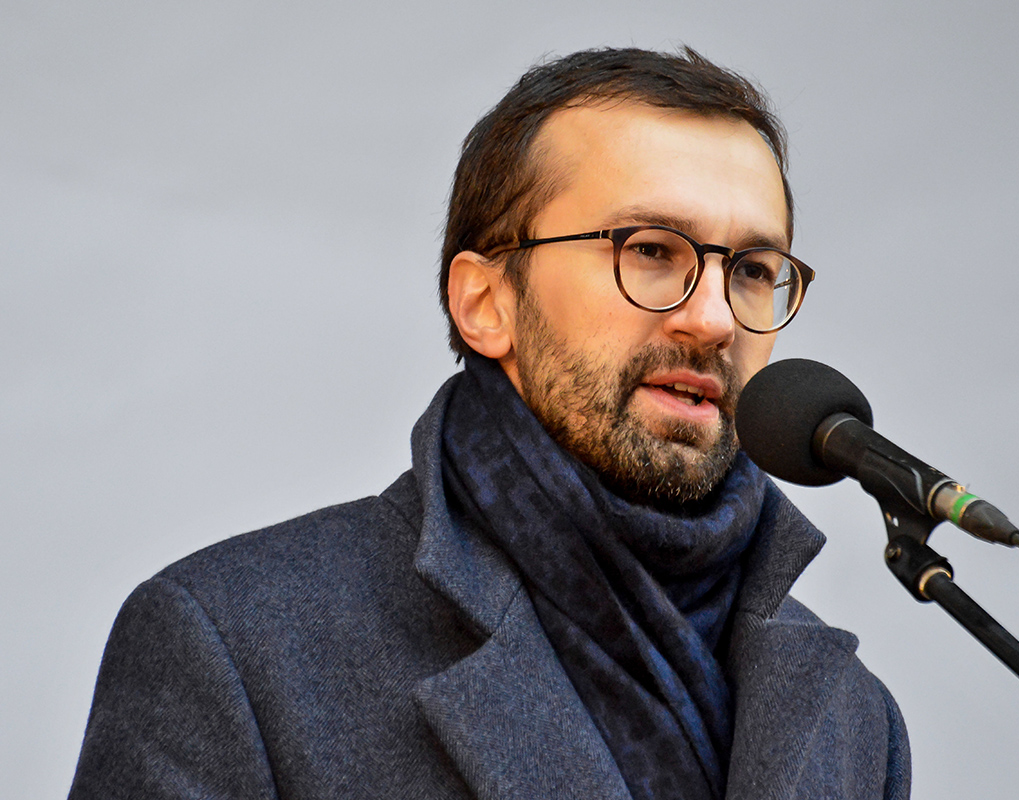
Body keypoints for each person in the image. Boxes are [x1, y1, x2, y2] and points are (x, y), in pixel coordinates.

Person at [69, 47, 910, 800]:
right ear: (485, 302)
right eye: (652, 249)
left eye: (754, 269)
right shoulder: (234, 645)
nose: (715, 319)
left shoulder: (856, 722)